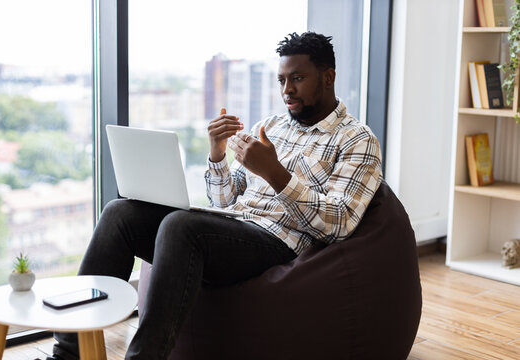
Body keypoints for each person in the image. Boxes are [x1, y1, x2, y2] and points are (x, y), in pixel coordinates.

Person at [43, 31, 382, 360]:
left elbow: (339, 224)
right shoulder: (273, 125)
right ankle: (68, 353)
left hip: (280, 243)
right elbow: (225, 200)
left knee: (180, 226)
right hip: (233, 227)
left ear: (328, 77)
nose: (287, 90)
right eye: (281, 80)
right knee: (120, 214)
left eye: (297, 79)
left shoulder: (356, 139)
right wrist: (217, 154)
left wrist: (275, 174)